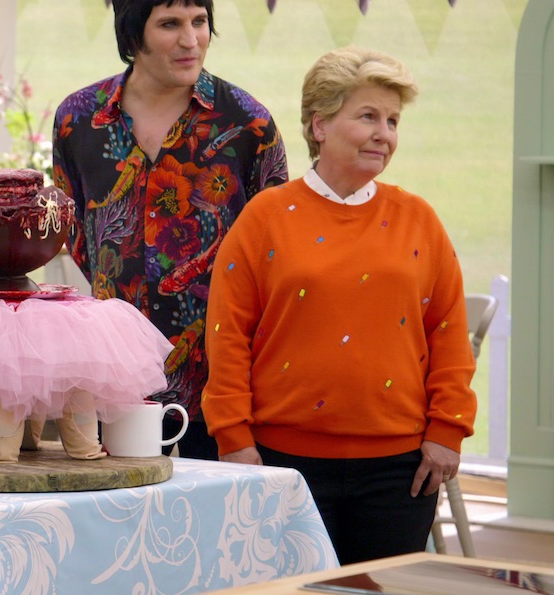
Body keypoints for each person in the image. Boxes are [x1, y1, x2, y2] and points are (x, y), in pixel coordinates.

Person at [202, 47, 477, 564]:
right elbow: (227, 334)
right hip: (282, 464)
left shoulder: (418, 219)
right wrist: (234, 439)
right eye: (368, 116)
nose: (384, 134)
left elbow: (447, 329)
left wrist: (448, 429)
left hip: (400, 470)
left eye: (392, 121)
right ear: (320, 124)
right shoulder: (265, 217)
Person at [51, 0, 287, 459]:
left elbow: (276, 247)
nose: (191, 40)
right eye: (170, 24)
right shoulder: (78, 119)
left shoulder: (248, 124)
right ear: (132, 34)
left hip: (222, 377)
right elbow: (77, 233)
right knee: (117, 501)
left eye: (199, 21)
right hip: (117, 375)